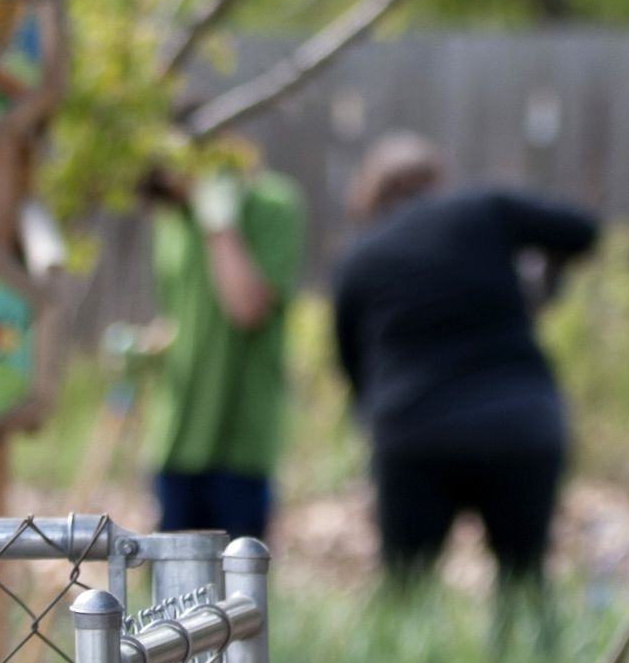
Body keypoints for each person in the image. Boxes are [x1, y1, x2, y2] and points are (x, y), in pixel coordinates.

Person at [325, 133, 600, 588]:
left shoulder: (361, 256)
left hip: (413, 432)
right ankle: (527, 657)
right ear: (437, 182)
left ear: (369, 195)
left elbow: (353, 370)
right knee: (524, 584)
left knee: (406, 591)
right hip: (519, 423)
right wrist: (544, 290)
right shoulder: (482, 209)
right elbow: (581, 231)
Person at [143, 149, 304, 541]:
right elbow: (177, 313)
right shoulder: (171, 218)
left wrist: (220, 226)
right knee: (169, 592)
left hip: (238, 440)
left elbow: (247, 308)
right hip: (177, 434)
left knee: (239, 590)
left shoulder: (273, 205)